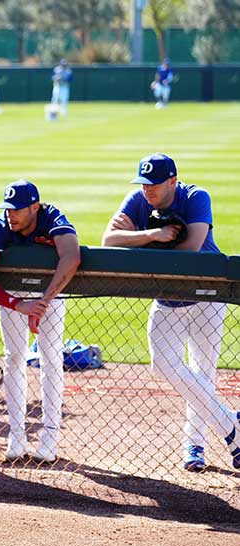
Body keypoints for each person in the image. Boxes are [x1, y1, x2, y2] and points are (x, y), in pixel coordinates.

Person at [101, 153, 240, 471]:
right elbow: (109, 240)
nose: (147, 190)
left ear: (172, 182)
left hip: (207, 296)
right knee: (163, 365)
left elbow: (190, 249)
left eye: (154, 184)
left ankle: (195, 445)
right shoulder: (137, 199)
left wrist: (137, 242)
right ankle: (231, 425)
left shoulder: (195, 197)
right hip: (167, 299)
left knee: (203, 373)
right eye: (143, 183)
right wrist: (151, 235)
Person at [0, 180, 80, 462]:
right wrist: (20, 305)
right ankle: (17, 434)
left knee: (51, 358)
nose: (11, 214)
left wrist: (42, 303)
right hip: (13, 296)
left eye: (17, 209)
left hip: (50, 292)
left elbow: (72, 256)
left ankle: (50, 436)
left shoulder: (52, 217)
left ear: (35, 206)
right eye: (8, 209)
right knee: (14, 357)